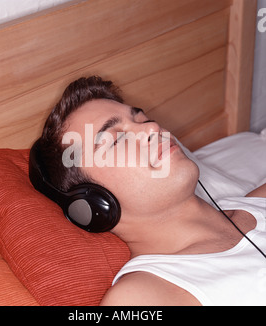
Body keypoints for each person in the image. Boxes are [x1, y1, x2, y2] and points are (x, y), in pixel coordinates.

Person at [35, 76, 266, 306]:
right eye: (118, 139)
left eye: (143, 119)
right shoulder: (145, 296)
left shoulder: (258, 202)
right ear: (95, 202)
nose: (153, 128)